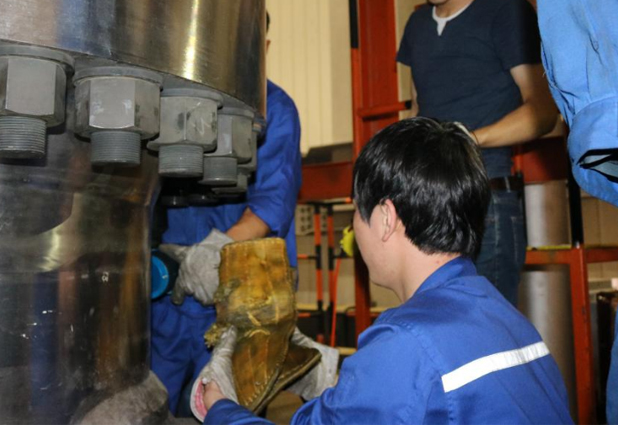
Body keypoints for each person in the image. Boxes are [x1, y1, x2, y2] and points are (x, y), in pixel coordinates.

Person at [200, 117, 572, 425]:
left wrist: (221, 409)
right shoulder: (511, 320)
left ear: (385, 218)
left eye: (356, 214)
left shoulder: (405, 343)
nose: (354, 232)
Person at [502, 0, 618, 421]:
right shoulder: (419, 31)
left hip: (497, 193)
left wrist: (467, 136)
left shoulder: (499, 17)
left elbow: (538, 115)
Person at [393, 0, 557, 305]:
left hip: (487, 202)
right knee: (439, 327)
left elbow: (542, 111)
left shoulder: (505, 12)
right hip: (429, 204)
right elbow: (418, 109)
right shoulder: (416, 25)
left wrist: (468, 138)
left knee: (488, 334)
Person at [150, 13, 303, 415]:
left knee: (226, 409)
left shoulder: (277, 110)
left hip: (238, 299)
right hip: (170, 294)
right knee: (149, 404)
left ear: (263, 50)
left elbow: (273, 203)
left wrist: (220, 248)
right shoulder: (165, 103)